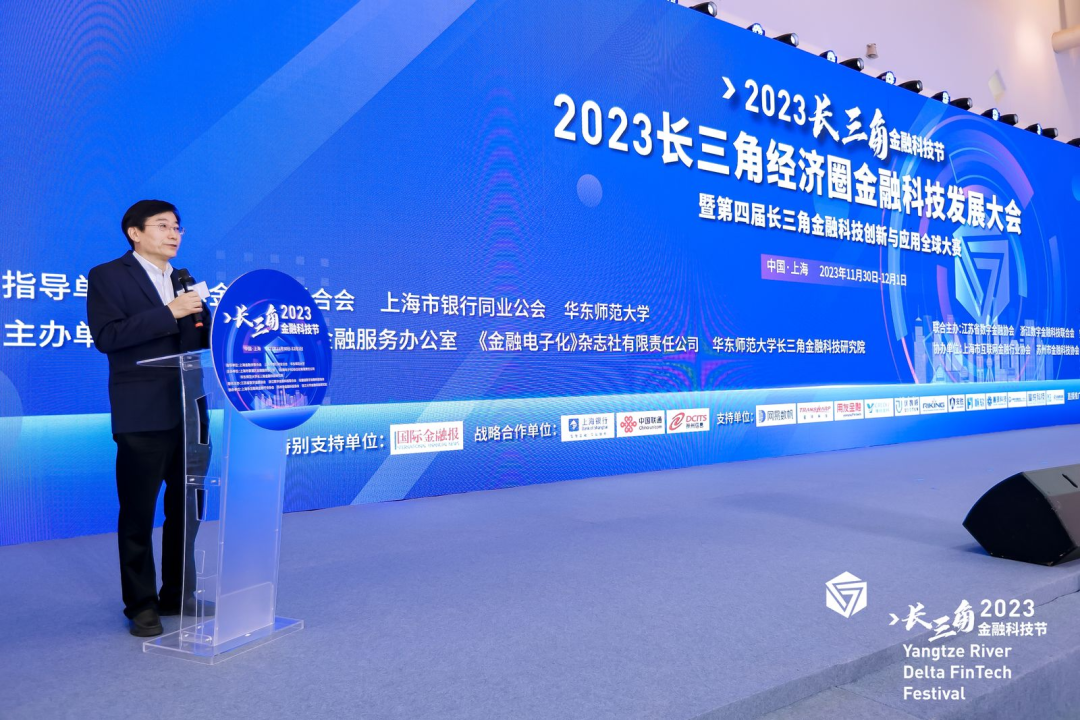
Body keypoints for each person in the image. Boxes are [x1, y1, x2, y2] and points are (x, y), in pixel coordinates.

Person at [86, 199, 210, 637]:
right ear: (134, 233)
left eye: (178, 226)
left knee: (186, 511)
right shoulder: (108, 276)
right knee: (138, 514)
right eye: (163, 225)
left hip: (190, 410)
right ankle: (141, 604)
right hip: (141, 413)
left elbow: (201, 340)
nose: (174, 233)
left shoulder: (183, 280)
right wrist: (169, 313)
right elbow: (107, 336)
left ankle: (178, 594)